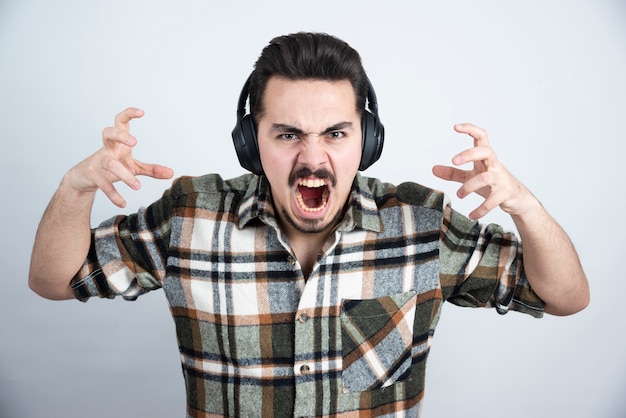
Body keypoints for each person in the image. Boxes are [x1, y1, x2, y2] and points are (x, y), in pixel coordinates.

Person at [29, 32, 589, 417]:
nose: (313, 158)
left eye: (336, 133)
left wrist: (525, 206)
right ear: (252, 142)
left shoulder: (421, 225)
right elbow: (55, 280)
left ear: (366, 141)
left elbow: (564, 296)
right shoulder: (189, 217)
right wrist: (74, 189)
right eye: (288, 134)